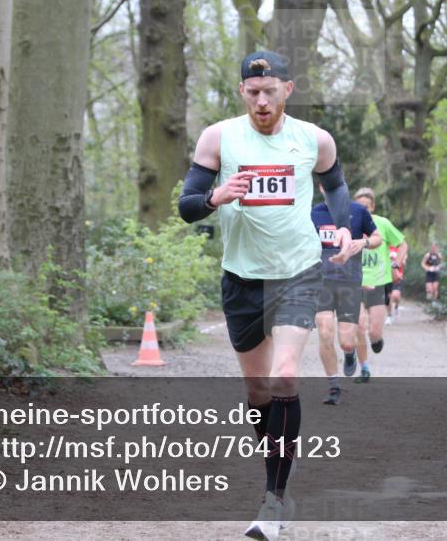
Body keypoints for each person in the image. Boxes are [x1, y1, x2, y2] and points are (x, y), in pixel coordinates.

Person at [178, 50, 354, 541]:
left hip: (296, 272)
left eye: (269, 92)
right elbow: (187, 206)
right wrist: (216, 196)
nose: (261, 101)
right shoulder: (219, 137)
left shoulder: (314, 139)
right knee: (257, 392)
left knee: (285, 376)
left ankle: (273, 500)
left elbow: (336, 188)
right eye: (252, 92)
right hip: (241, 278)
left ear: (287, 90)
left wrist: (341, 227)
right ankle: (278, 469)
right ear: (242, 93)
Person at [311, 188, 381, 405]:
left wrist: (364, 242)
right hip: (321, 282)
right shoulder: (314, 213)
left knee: (347, 341)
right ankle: (333, 387)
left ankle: (350, 353)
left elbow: (378, 237)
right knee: (324, 330)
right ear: (321, 188)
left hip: (350, 283)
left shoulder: (358, 211)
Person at [352, 188, 406, 383]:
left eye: (366, 207)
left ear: (372, 207)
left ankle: (376, 339)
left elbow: (402, 244)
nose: (363, 210)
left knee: (374, 332)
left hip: (378, 283)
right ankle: (364, 368)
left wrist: (395, 264)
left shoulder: (382, 224)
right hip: (355, 283)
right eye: (359, 207)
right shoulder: (349, 223)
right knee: (358, 326)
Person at [387, 244, 404, 324]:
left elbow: (403, 262)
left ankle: (396, 307)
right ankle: (389, 316)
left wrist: (397, 260)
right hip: (386, 276)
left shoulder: (401, 247)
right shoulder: (385, 247)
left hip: (397, 275)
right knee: (389, 297)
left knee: (396, 295)